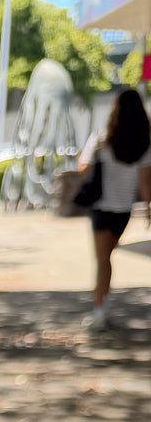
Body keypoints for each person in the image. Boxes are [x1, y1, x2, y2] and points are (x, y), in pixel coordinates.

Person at [77, 87, 151, 331]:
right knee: (106, 258)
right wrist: (148, 209)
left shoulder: (102, 140)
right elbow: (145, 183)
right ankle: (101, 307)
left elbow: (84, 169)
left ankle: (99, 311)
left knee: (102, 260)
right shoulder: (144, 146)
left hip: (101, 208)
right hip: (123, 211)